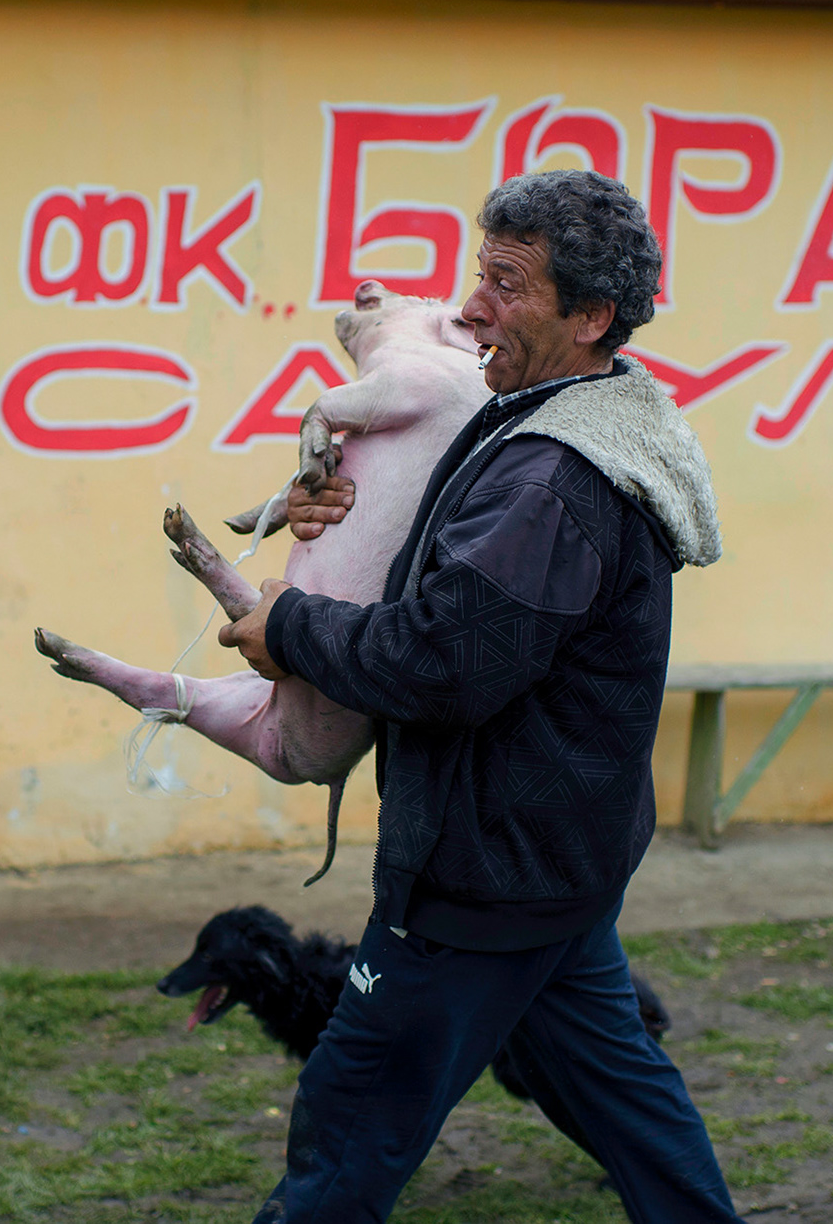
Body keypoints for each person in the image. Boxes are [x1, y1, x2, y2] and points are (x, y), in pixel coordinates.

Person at [217, 169, 740, 1223]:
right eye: (479, 274)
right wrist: (333, 511)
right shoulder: (562, 419)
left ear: (591, 317)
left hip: (483, 879)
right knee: (631, 1111)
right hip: (556, 867)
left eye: (506, 284)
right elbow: (451, 584)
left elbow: (440, 663)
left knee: (348, 1121)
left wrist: (292, 626)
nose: (469, 307)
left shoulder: (554, 478)